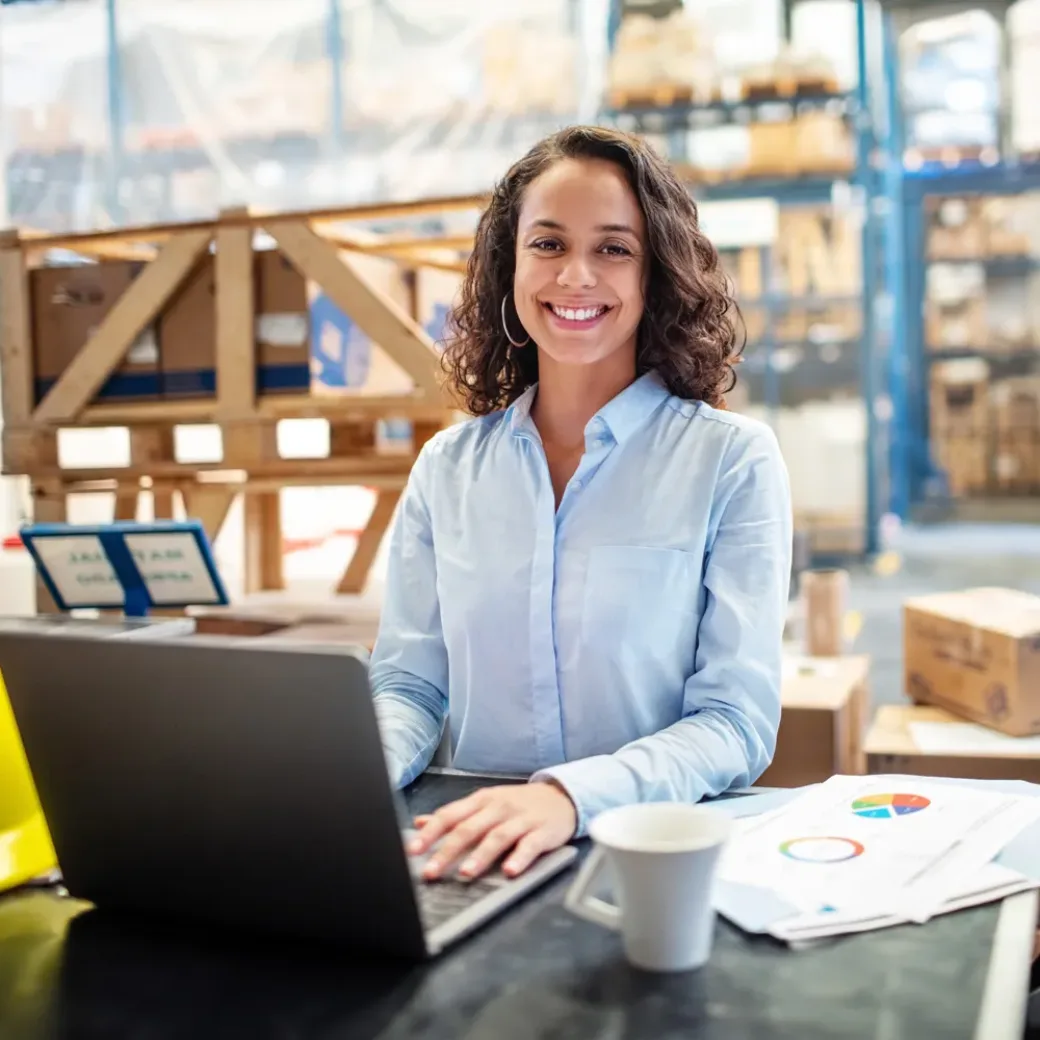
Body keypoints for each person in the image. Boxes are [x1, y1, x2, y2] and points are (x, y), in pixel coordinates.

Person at [368, 125, 792, 883]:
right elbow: (410, 684)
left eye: (614, 249)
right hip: (471, 850)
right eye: (549, 244)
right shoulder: (448, 468)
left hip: (650, 859)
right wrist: (355, 769)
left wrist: (568, 797)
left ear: (654, 274)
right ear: (509, 266)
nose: (576, 277)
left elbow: (735, 723)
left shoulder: (731, 461)